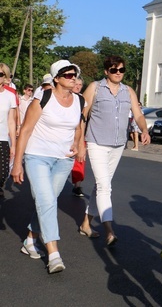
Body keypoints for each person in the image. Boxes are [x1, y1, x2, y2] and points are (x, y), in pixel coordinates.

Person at [11, 60, 83, 273]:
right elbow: (25, 131)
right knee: (47, 200)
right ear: (57, 79)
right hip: (37, 157)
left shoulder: (79, 100)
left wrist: (77, 144)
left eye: (74, 74)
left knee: (47, 202)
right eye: (68, 75)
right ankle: (53, 253)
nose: (73, 78)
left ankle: (30, 240)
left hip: (64, 160)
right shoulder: (43, 97)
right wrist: (17, 164)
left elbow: (78, 126)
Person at [77, 56, 150, 245]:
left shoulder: (128, 91)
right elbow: (82, 115)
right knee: (104, 186)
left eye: (121, 70)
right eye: (113, 69)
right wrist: (79, 143)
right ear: (106, 71)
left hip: (118, 145)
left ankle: (86, 223)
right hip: (96, 142)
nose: (118, 73)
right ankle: (109, 229)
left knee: (102, 185)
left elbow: (138, 114)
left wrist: (144, 129)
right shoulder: (95, 87)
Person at [0, 63, 18, 200]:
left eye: (0, 74)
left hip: (3, 139)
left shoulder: (9, 96)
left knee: (3, 173)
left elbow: (11, 121)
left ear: (5, 77)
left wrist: (14, 145)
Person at [70, 77, 86, 197]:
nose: (78, 86)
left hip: (78, 133)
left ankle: (77, 185)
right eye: (76, 84)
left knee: (79, 161)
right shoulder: (64, 96)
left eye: (80, 85)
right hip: (64, 133)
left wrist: (81, 142)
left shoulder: (82, 100)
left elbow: (83, 120)